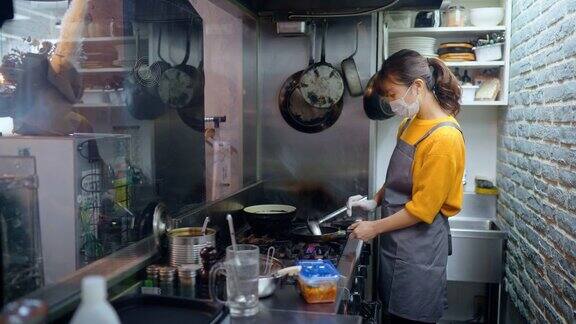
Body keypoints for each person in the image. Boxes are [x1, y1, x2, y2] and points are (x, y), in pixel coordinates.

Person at [347, 49, 466, 324]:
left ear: (418, 86)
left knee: (410, 318)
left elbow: (423, 209)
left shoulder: (445, 139)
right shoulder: (409, 123)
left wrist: (374, 227)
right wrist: (375, 201)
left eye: (391, 93)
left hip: (419, 250)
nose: (390, 102)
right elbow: (400, 178)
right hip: (396, 244)